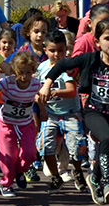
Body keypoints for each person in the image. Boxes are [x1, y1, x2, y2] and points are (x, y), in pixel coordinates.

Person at [41, 17, 109, 203]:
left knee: (107, 145)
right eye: (108, 38)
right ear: (97, 42)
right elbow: (62, 65)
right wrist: (47, 84)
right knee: (108, 138)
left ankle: (94, 179)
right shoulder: (90, 58)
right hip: (93, 111)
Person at [36, 31, 88, 191]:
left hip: (70, 113)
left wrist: (54, 92)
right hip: (51, 114)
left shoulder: (68, 67)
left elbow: (72, 91)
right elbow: (37, 91)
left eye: (60, 50)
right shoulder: (42, 68)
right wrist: (41, 107)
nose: (56, 54)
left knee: (77, 146)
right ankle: (55, 176)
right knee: (45, 145)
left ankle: (78, 172)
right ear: (45, 50)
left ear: (65, 49)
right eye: (52, 50)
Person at [0, 50, 42, 198]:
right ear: (14, 71)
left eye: (28, 72)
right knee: (8, 155)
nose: (24, 77)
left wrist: (43, 111)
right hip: (7, 123)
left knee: (30, 153)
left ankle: (20, 170)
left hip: (25, 124)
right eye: (21, 72)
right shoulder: (8, 82)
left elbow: (40, 97)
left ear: (33, 71)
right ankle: (7, 183)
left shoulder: (35, 84)